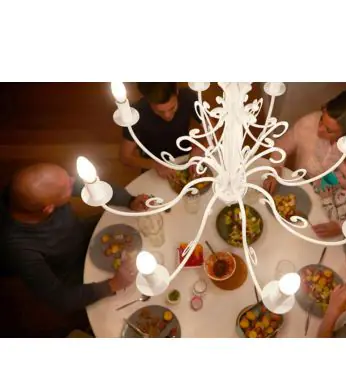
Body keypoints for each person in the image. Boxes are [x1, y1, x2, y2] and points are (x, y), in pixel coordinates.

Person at [0, 163, 149, 313]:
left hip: (83, 233)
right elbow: (60, 298)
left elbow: (93, 187)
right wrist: (112, 285)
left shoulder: (42, 192)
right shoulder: (20, 249)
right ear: (48, 208)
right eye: (68, 187)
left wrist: (129, 200)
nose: (74, 180)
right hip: (74, 270)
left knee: (140, 229)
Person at [263, 89, 346, 237]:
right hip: (300, 186)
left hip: (334, 208)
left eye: (329, 130)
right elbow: (281, 147)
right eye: (322, 119)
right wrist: (275, 169)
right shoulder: (308, 123)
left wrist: (342, 226)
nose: (319, 129)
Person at [119, 82, 203, 179]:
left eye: (172, 108)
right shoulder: (135, 115)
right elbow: (125, 157)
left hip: (186, 158)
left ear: (176, 91)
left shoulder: (187, 97)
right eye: (160, 111)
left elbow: (214, 131)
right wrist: (154, 165)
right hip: (154, 165)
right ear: (148, 100)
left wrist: (199, 150)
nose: (167, 115)